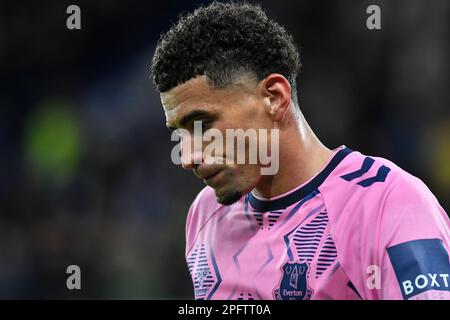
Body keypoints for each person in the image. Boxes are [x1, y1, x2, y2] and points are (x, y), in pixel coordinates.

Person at [150, 2, 450, 300]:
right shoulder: (206, 215)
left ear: (274, 98)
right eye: (179, 132)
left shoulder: (389, 204)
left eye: (202, 123)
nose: (188, 157)